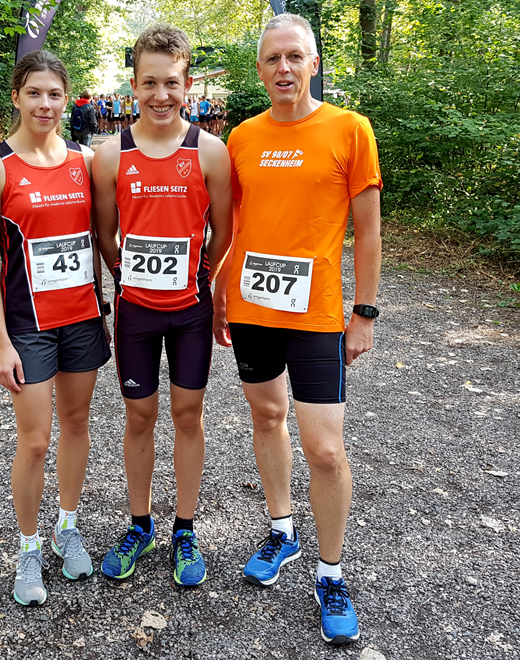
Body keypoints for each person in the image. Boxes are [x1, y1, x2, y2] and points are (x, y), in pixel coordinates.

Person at [213, 12, 382, 645]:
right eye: (271, 59)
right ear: (259, 70)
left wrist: (363, 312)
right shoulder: (241, 137)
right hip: (253, 309)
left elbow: (368, 230)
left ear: (313, 62)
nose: (283, 68)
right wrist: (221, 293)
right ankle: (282, 530)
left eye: (294, 57)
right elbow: (232, 227)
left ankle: (331, 572)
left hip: (316, 315)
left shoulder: (349, 128)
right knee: (265, 419)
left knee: (327, 450)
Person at [93, 23, 232, 586]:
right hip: (137, 314)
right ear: (133, 84)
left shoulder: (211, 152)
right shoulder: (109, 154)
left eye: (170, 83)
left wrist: (204, 278)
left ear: (187, 83)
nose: (159, 95)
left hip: (192, 311)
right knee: (139, 415)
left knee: (187, 415)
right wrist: (125, 275)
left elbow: (224, 231)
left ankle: (185, 527)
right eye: (148, 83)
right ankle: (140, 523)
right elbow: (105, 234)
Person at [0, 50, 111, 606]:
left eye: (55, 94)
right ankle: (28, 547)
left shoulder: (86, 160)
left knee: (76, 424)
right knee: (34, 441)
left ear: (66, 98)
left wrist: (115, 304)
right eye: (35, 93)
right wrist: (1, 342)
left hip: (81, 318)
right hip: (27, 326)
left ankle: (67, 526)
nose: (46, 104)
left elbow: (100, 239)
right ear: (17, 97)